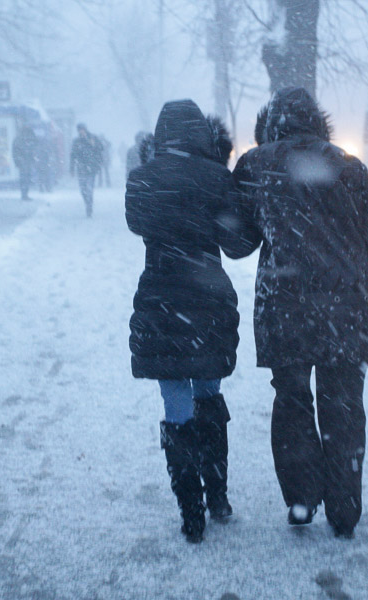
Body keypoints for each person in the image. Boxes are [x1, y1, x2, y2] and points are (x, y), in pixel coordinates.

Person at [233, 87, 368, 538]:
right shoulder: (349, 166)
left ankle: (301, 501)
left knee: (292, 402)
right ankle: (345, 509)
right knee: (344, 407)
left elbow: (237, 244)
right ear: (318, 122)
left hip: (285, 305)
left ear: (272, 123)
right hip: (347, 307)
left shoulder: (256, 165)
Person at [126, 100, 254, 544]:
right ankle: (217, 496)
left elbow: (135, 221)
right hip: (207, 299)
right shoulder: (216, 178)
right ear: (201, 133)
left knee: (175, 406)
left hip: (161, 299)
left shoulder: (142, 180)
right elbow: (236, 243)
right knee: (209, 396)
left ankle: (191, 512)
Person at [69, 123, 103, 217]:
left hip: (91, 168)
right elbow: (72, 155)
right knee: (83, 190)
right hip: (81, 168)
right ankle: (87, 203)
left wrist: (93, 144)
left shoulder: (93, 138)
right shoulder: (76, 141)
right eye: (79, 130)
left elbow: (100, 149)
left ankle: (89, 207)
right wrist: (71, 168)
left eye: (82, 129)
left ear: (85, 129)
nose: (81, 131)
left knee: (89, 189)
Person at [12, 124, 38, 201]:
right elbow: (34, 145)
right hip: (25, 162)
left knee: (24, 178)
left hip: (23, 162)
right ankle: (24, 194)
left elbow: (15, 152)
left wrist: (17, 161)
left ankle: (24, 194)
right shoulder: (27, 139)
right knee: (26, 178)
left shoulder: (18, 139)